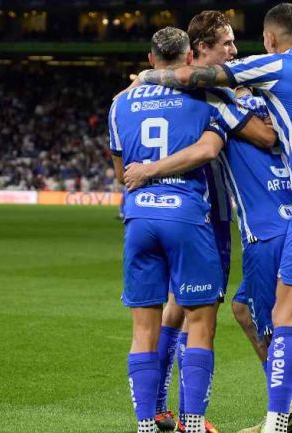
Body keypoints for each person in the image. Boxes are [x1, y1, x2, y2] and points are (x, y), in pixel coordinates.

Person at [136, 4, 292, 433]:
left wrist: (145, 94)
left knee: (280, 321)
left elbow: (242, 141)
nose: (236, 50)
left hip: (273, 224)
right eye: (228, 43)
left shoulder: (231, 93)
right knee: (251, 312)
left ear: (273, 38)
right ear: (200, 49)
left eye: (238, 41)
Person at [109, 27, 273, 433]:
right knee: (199, 318)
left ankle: (153, 418)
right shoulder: (208, 94)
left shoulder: (121, 101)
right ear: (191, 56)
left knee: (159, 317)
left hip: (140, 215)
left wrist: (145, 171)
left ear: (151, 60)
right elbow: (247, 140)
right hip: (198, 213)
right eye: (227, 44)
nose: (234, 52)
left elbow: (120, 173)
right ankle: (191, 422)